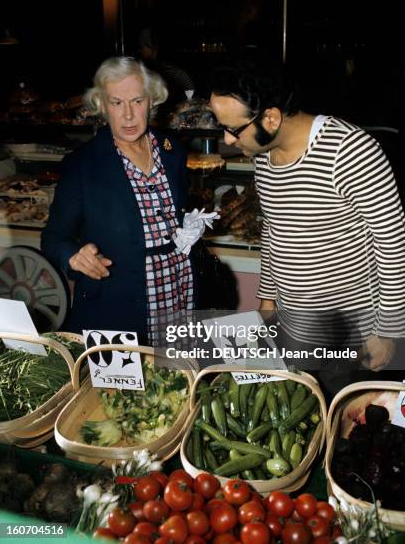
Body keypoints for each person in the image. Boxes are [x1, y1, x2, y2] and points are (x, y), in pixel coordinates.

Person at [209, 63, 405, 379]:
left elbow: (394, 245)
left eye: (233, 129)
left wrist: (387, 331)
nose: (227, 141)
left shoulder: (350, 150)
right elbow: (274, 231)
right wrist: (268, 298)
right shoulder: (264, 156)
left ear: (270, 118)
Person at [41, 57, 214, 342]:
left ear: (152, 101)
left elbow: (172, 214)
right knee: (123, 387)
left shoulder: (172, 152)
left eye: (137, 101)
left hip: (178, 291)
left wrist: (190, 226)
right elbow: (53, 237)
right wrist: (73, 256)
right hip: (117, 305)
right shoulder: (82, 165)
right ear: (102, 106)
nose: (129, 115)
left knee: (175, 379)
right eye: (117, 103)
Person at [138, 28, 195, 105]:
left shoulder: (166, 70)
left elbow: (188, 86)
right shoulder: (149, 68)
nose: (141, 51)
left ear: (152, 47)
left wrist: (187, 104)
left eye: (143, 47)